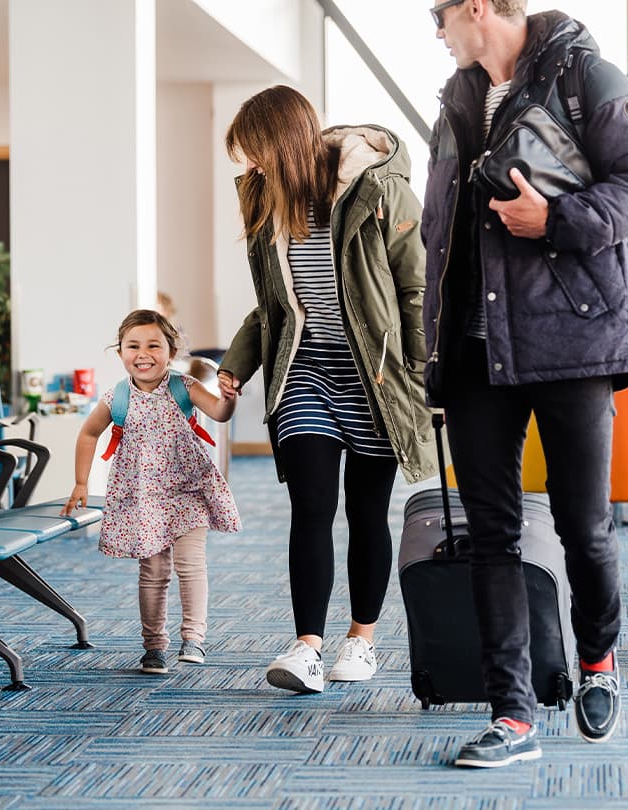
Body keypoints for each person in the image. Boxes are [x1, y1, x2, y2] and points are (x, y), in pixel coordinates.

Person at [423, 1, 628, 767]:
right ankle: (514, 714)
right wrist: (431, 349)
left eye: (438, 17)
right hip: (473, 354)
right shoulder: (458, 101)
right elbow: (442, 236)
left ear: (474, 8)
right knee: (490, 537)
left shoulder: (583, 74)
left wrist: (560, 218)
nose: (438, 34)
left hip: (571, 341)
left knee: (583, 528)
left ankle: (598, 658)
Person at [217, 85, 434, 695]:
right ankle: (307, 644)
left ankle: (361, 641)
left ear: (283, 142)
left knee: (367, 511)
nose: (250, 168)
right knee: (310, 507)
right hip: (304, 371)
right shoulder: (265, 201)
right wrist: (236, 366)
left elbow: (415, 289)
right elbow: (270, 309)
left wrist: (426, 374)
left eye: (256, 152)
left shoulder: (377, 189)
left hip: (377, 376)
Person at [62, 309, 241, 674]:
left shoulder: (184, 386)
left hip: (188, 488)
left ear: (171, 351)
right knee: (154, 572)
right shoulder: (118, 397)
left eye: (153, 345)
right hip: (144, 496)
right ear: (121, 353)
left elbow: (220, 414)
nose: (143, 354)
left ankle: (194, 638)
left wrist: (230, 397)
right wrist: (81, 482)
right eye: (133, 346)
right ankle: (154, 645)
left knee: (190, 565)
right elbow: (88, 433)